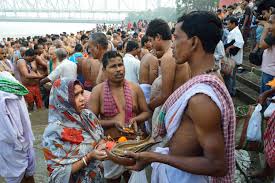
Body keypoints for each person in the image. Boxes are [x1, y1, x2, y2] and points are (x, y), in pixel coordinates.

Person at [125, 11, 236, 183]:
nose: (172, 44)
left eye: (176, 37)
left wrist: (155, 157)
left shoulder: (201, 99)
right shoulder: (208, 77)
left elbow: (218, 165)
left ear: (193, 42)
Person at [89, 51, 150, 182]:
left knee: (134, 177)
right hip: (111, 147)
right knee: (113, 180)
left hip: (134, 144)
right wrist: (112, 123)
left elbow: (146, 112)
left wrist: (135, 119)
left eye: (120, 65)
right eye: (113, 66)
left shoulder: (135, 88)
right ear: (104, 70)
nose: (118, 70)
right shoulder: (97, 91)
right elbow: (90, 121)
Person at [42, 78, 107, 183]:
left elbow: (100, 138)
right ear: (62, 98)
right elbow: (56, 175)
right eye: (75, 95)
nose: (82, 98)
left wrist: (102, 146)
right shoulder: (53, 133)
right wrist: (88, 158)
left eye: (82, 92)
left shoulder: (87, 116)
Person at [0, 71, 35, 183]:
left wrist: (19, 142)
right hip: (25, 138)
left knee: (18, 177)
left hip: (12, 143)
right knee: (28, 174)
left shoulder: (5, 85)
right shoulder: (8, 78)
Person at [224, 17, 244, 96]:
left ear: (233, 24)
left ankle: (231, 92)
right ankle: (231, 91)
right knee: (230, 75)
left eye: (229, 24)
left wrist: (229, 47)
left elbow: (240, 43)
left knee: (231, 76)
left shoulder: (236, 32)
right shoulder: (234, 31)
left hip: (234, 58)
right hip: (232, 57)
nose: (227, 26)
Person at [259, 12, 275, 93]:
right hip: (268, 71)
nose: (268, 24)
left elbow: (261, 45)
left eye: (271, 22)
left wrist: (265, 29)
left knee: (267, 99)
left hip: (270, 73)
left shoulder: (273, 36)